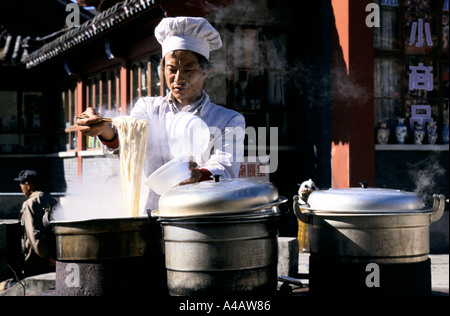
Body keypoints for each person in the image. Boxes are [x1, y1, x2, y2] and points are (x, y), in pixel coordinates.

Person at [77, 17, 246, 213]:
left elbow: (226, 168)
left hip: (199, 220)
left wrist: (198, 175)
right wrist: (104, 129)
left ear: (206, 71)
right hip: (149, 217)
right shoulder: (148, 108)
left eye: (188, 70)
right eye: (171, 70)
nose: (178, 78)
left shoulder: (228, 120)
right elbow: (127, 140)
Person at [14, 170, 58, 277]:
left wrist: (47, 256)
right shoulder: (52, 200)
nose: (21, 187)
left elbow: (35, 234)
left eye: (21, 184)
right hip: (55, 259)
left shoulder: (29, 204)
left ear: (28, 185)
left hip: (37, 262)